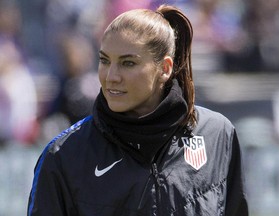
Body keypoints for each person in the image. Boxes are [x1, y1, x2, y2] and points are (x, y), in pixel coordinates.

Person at [27, 4, 248, 216]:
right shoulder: (64, 155)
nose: (111, 76)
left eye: (128, 63)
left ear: (165, 68)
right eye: (104, 61)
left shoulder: (217, 135)